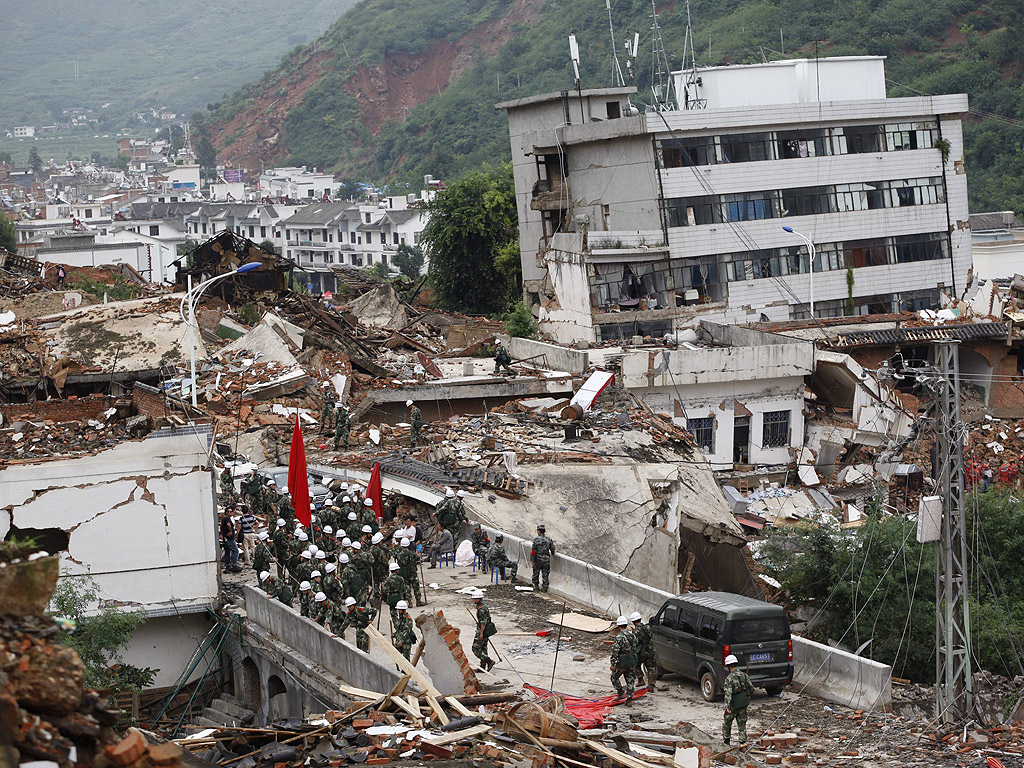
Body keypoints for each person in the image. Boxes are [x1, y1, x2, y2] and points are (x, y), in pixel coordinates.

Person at [722, 654, 754, 745]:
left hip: (733, 704)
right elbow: (752, 688)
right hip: (743, 703)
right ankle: (742, 742)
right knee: (742, 723)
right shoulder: (744, 675)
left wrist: (727, 706)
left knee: (727, 722)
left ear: (728, 666)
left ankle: (726, 741)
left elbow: (728, 694)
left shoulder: (729, 679)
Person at [610, 615, 639, 703]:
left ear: (619, 626)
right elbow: (635, 647)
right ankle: (629, 699)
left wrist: (613, 664)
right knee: (630, 680)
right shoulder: (632, 636)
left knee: (614, 677)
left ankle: (620, 692)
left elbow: (615, 652)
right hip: (632, 661)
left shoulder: (619, 637)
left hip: (622, 662)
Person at [630, 611, 658, 690]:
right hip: (650, 651)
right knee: (651, 667)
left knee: (636, 665)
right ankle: (651, 685)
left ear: (633, 621)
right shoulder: (647, 627)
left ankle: (640, 679)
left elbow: (634, 642)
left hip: (641, 652)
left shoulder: (636, 631)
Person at [471, 590, 497, 672]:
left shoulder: (481, 609)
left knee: (475, 648)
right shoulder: (483, 606)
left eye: (475, 599)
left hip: (482, 630)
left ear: (479, 599)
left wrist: (481, 633)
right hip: (486, 629)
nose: (474, 600)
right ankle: (483, 666)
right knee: (483, 647)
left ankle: (489, 661)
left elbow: (483, 622)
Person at [531, 524, 555, 592]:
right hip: (546, 560)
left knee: (536, 573)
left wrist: (532, 560)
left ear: (539, 531)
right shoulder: (548, 539)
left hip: (537, 560)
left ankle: (536, 587)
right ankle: (545, 588)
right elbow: (552, 548)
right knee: (545, 574)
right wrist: (553, 553)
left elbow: (533, 551)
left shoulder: (536, 540)